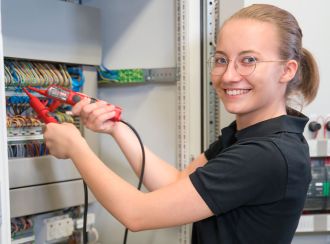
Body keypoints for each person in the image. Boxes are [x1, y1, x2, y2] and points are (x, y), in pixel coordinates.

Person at [43, 3, 319, 244]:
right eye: (222, 59)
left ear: (287, 70)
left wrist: (76, 148)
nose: (229, 75)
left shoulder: (264, 154)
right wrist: (117, 128)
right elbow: (175, 184)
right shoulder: (252, 136)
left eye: (249, 60)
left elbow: (137, 214)